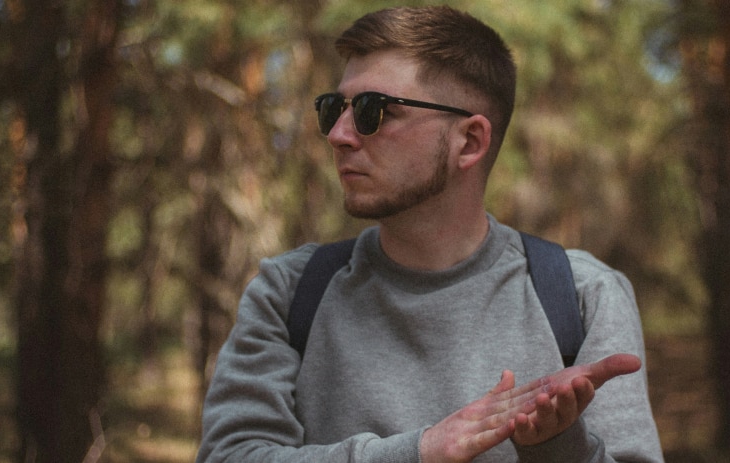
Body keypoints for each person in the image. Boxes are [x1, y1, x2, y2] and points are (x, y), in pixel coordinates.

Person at [196, 6, 664, 463]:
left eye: (371, 110)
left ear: (470, 142)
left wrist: (557, 446)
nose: (339, 134)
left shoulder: (582, 295)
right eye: (332, 108)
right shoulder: (291, 291)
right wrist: (419, 451)